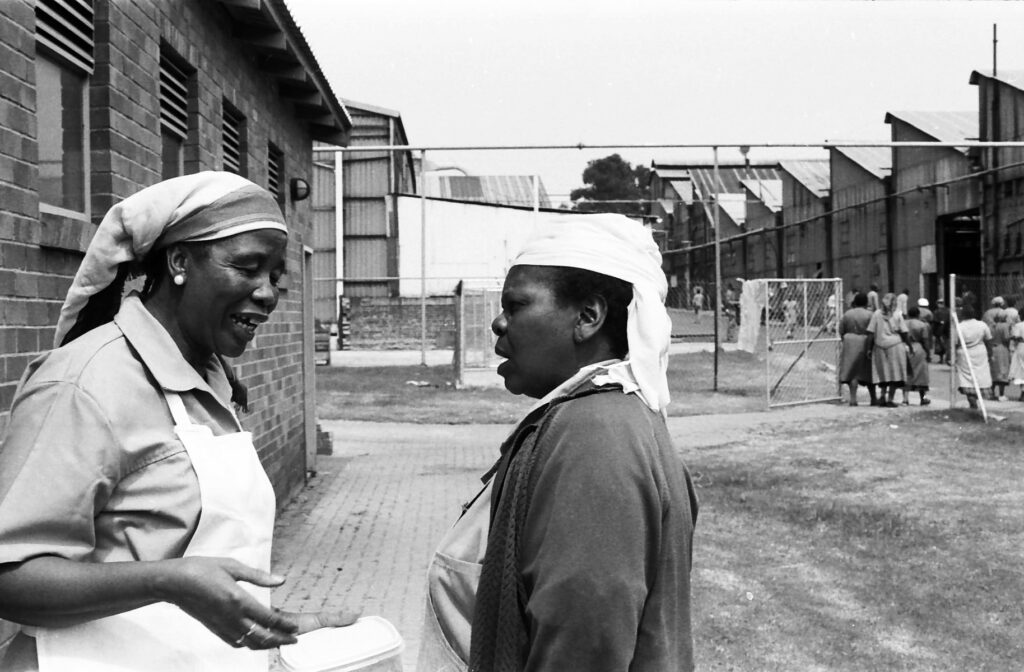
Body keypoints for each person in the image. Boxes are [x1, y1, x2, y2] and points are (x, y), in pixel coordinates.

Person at [0, 173, 353, 671]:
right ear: (180, 262)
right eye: (248, 267)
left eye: (275, 275)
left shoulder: (207, 378)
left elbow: (196, 563)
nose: (268, 293)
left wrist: (268, 630)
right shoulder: (84, 383)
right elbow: (10, 575)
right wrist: (168, 580)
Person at [418, 214, 698, 672]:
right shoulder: (601, 417)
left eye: (516, 305)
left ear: (588, 317)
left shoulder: (595, 434)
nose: (498, 322)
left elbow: (584, 640)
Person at [866, 292, 909, 407]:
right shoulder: (898, 314)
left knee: (883, 373)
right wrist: (909, 345)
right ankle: (890, 399)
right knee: (894, 373)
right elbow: (904, 332)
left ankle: (882, 396)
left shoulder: (876, 314)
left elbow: (870, 332)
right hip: (895, 345)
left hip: (880, 346)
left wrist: (869, 349)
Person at [838, 292, 877, 406]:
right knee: (868, 371)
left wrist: (846, 339)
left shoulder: (847, 314)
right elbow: (873, 330)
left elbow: (841, 330)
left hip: (849, 342)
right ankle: (873, 398)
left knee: (852, 371)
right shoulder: (870, 315)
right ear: (866, 302)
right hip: (865, 342)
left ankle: (853, 399)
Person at [955, 304, 993, 409]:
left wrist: (952, 356)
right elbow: (989, 340)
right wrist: (990, 353)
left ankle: (972, 400)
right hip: (980, 352)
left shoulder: (959, 326)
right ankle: (977, 397)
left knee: (966, 377)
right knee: (981, 374)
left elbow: (954, 342)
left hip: (964, 352)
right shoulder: (982, 325)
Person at [905, 305, 933, 406]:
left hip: (904, 347)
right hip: (918, 347)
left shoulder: (903, 323)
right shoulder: (922, 325)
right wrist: (928, 353)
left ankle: (905, 398)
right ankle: (923, 397)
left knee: (906, 373)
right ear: (918, 314)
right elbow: (925, 340)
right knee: (921, 373)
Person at [989, 309, 1012, 401]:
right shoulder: (1005, 326)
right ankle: (1001, 394)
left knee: (993, 371)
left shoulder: (992, 326)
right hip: (1002, 349)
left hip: (993, 348)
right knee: (1002, 371)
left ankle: (991, 393)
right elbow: (1006, 338)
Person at [1007, 311, 1024, 400]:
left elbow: (1016, 337)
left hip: (1021, 347)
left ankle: (1023, 392)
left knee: (1020, 370)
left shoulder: (1018, 326)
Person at [933, 299, 951, 365]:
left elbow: (935, 321)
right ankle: (948, 358)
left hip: (939, 330)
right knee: (947, 344)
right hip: (947, 329)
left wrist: (934, 331)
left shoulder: (936, 311)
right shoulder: (949, 310)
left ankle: (941, 359)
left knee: (939, 344)